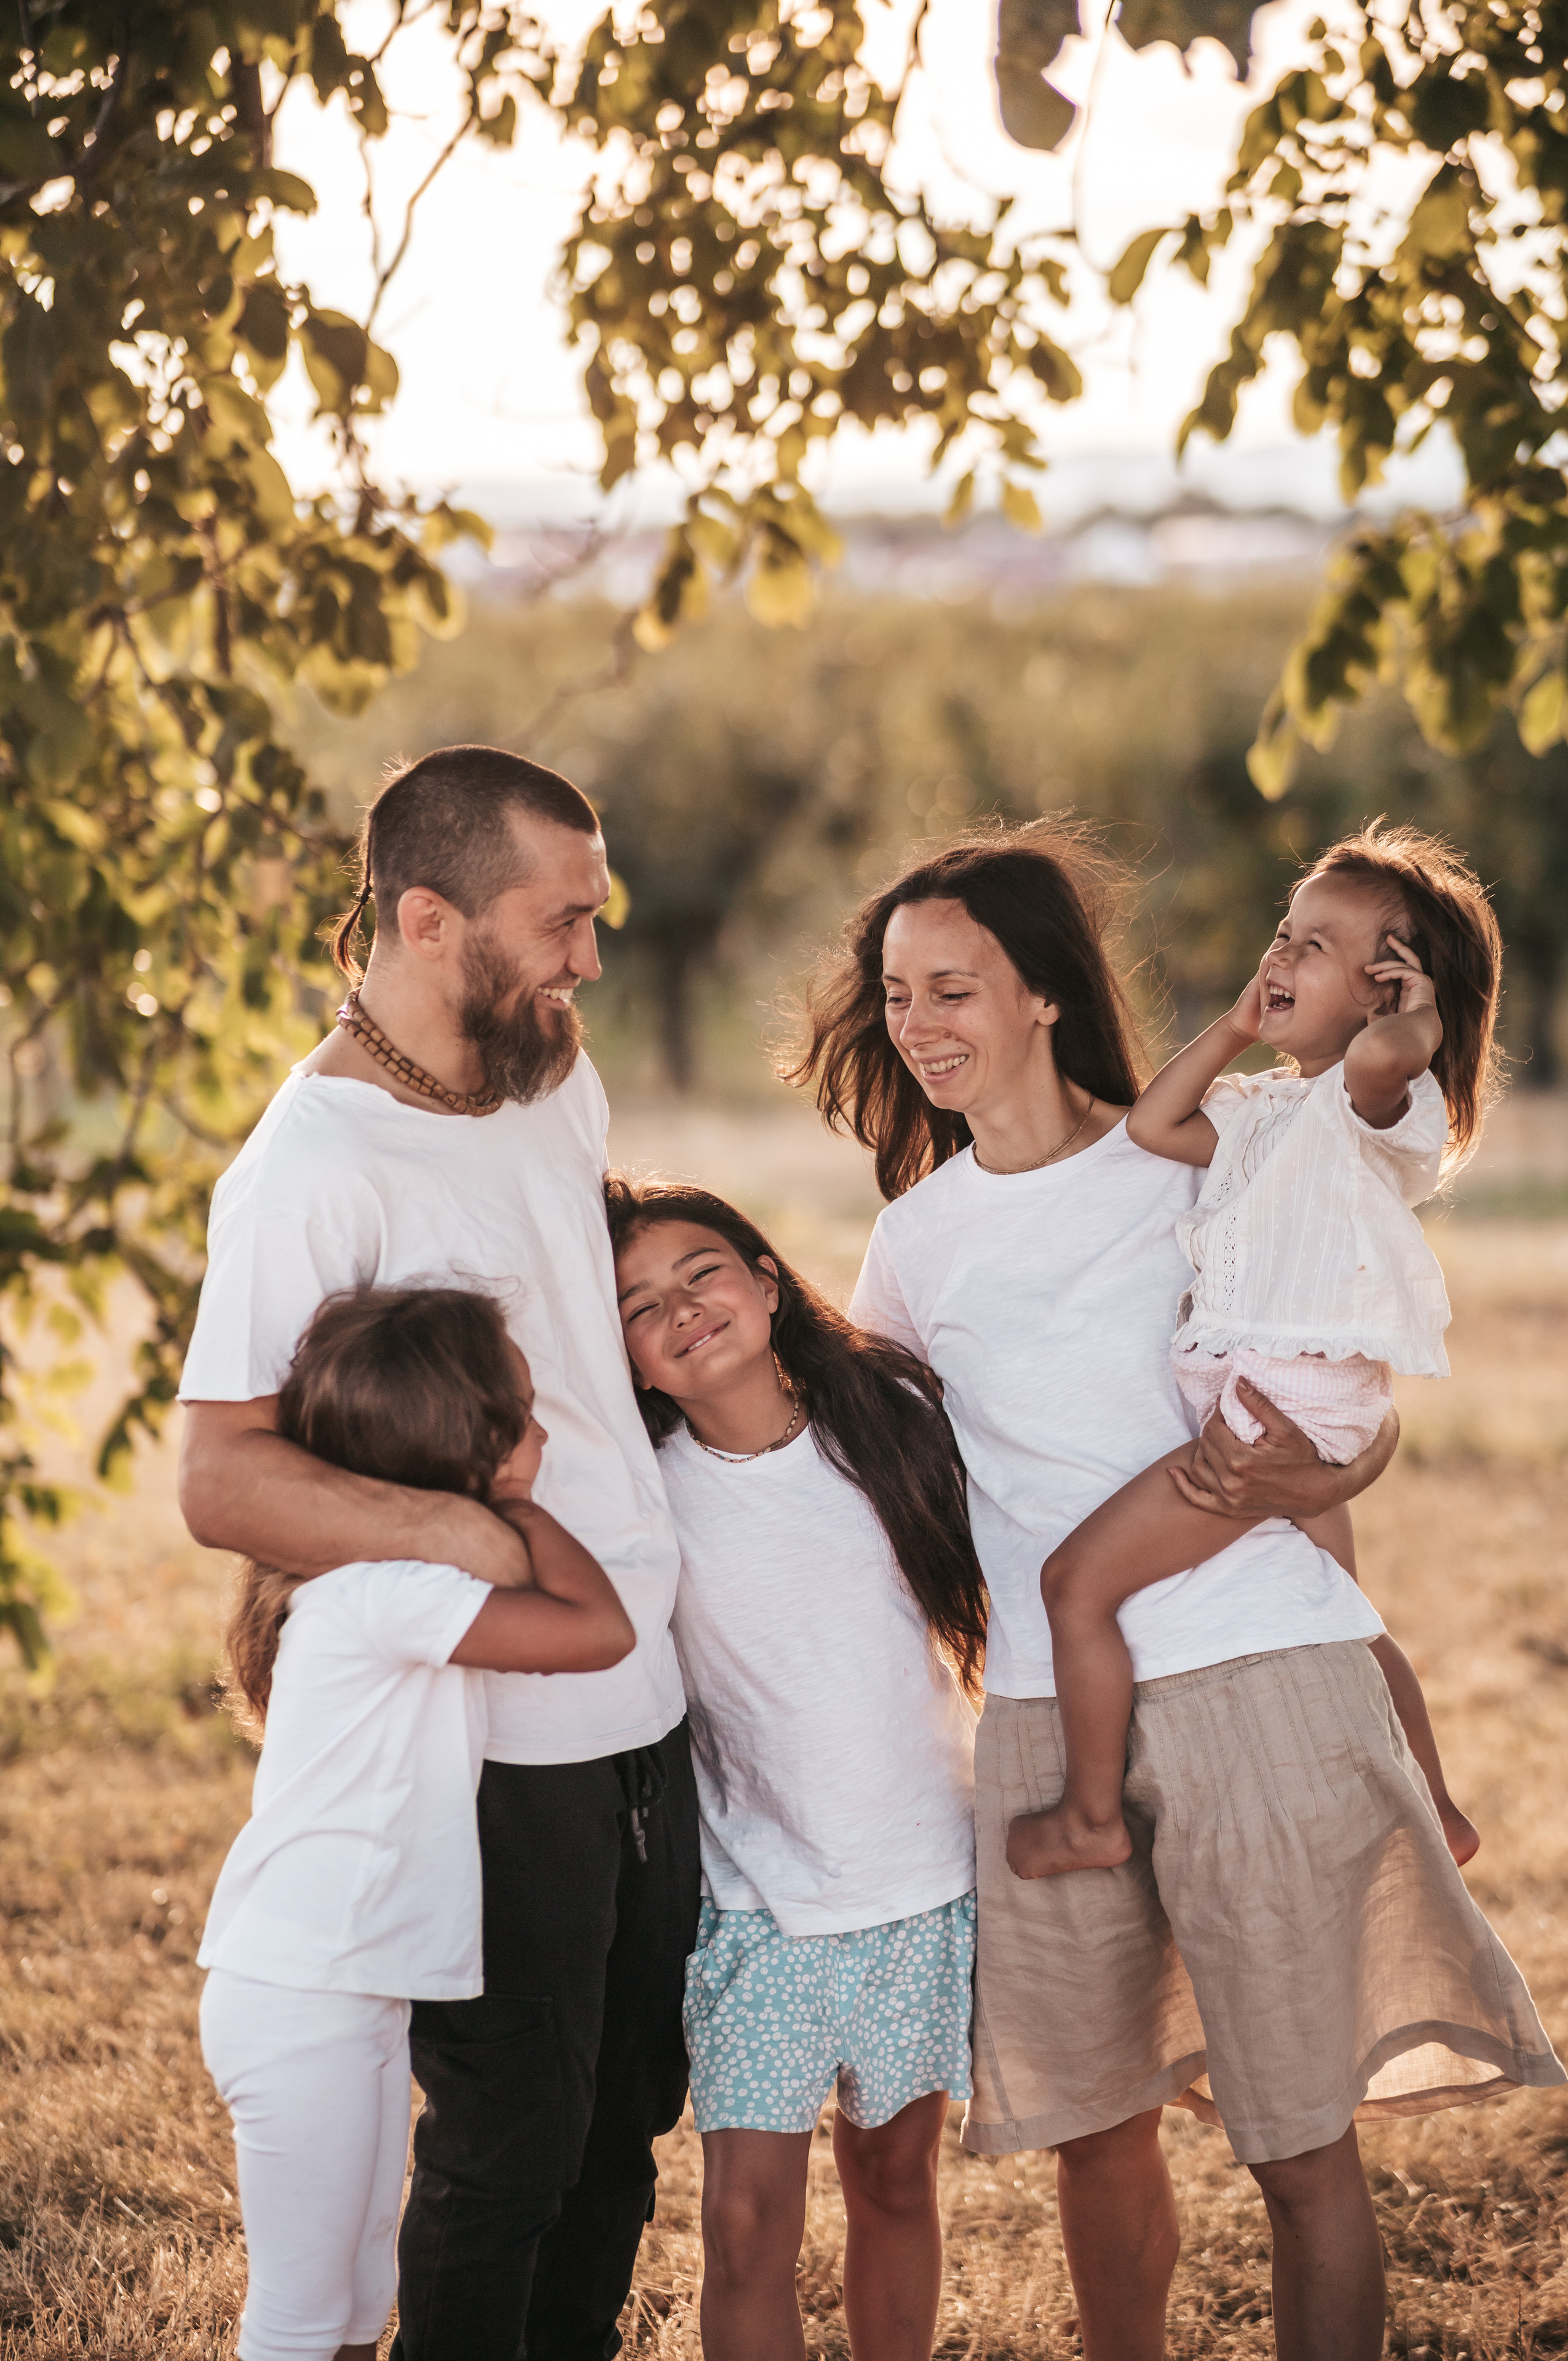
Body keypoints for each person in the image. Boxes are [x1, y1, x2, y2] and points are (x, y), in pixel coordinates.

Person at [792, 820, 1566, 2361]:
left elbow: (1326, 1358)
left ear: (1043, 995)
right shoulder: (914, 1242)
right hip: (1040, 1710)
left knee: (1292, 2141)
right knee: (1094, 2130)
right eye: (895, 994)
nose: (918, 1024)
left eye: (954, 987)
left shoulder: (1206, 1156)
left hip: (1249, 1674)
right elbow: (869, 1478)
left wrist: (1354, 1462)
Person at [178, 746, 700, 2361]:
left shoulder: (550, 1079)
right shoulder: (310, 1168)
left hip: (648, 1707)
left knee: (622, 2131)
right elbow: (221, 1475)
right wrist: (467, 1532)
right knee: (509, 2154)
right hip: (498, 1741)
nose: (588, 960)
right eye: (560, 923)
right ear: (424, 918)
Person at [1008, 823, 1487, 1881]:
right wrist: (1234, 1027)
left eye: (1316, 946)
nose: (1281, 953)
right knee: (1346, 1615)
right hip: (1294, 1399)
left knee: (1076, 1584)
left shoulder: (1369, 1106)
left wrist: (1415, 1014)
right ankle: (1440, 1807)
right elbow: (1153, 1126)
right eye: (1284, 931)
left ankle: (1089, 1815)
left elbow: (1383, 1059)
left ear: (1385, 992)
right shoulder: (1271, 1110)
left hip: (1276, 1406)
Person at [200, 1286, 635, 2361]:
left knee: (356, 2307)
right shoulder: (385, 1591)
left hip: (349, 1989)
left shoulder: (387, 1581)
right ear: (463, 1446)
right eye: (521, 1418)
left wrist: (486, 1496)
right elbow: (598, 1631)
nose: (542, 1434)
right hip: (306, 1995)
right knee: (299, 2321)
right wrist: (513, 1504)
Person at [604, 1176, 986, 2361]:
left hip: (920, 1884)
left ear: (767, 1284)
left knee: (894, 2179)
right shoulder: (642, 1492)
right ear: (629, 1362)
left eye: (703, 1273)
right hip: (759, 1903)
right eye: (639, 1306)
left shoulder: (888, 1423)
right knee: (743, 2220)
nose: (682, 1309)